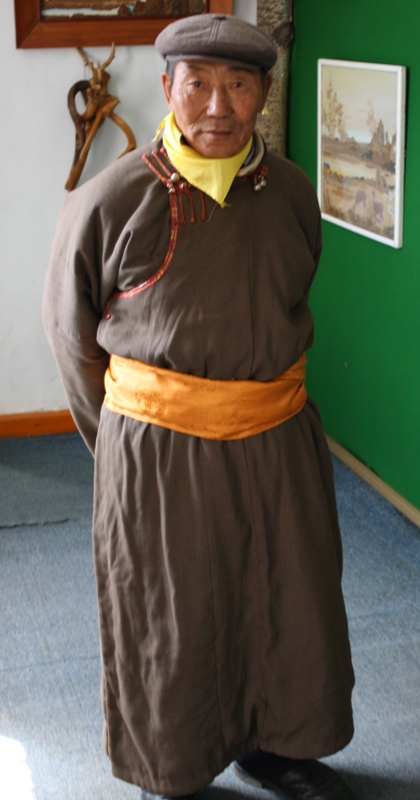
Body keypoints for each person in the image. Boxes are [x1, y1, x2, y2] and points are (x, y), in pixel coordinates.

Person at [43, 13, 356, 800]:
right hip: (159, 449)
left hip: (277, 437)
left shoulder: (289, 191)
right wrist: (125, 439)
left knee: (288, 597)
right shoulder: (112, 198)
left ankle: (280, 745)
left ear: (263, 95)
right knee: (170, 609)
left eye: (240, 86)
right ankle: (172, 765)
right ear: (168, 90)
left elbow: (292, 292)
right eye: (200, 85)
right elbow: (71, 337)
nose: (219, 106)